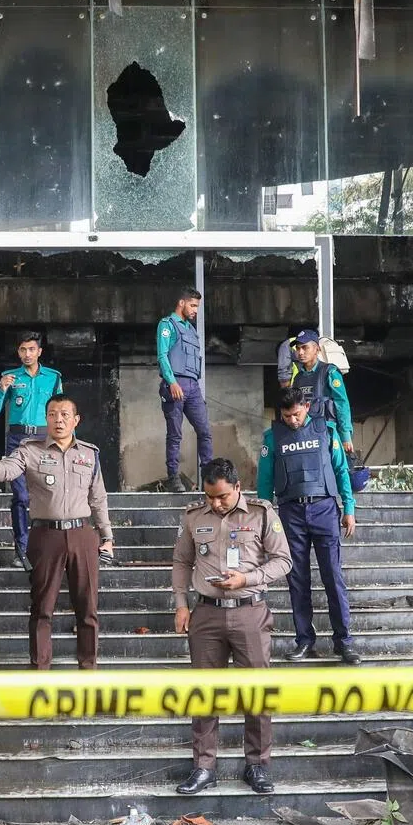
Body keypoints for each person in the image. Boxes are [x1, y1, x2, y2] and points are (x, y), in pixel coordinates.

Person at [171, 458, 291, 796]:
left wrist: (247, 578)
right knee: (205, 693)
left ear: (237, 487)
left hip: (249, 612)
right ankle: (204, 766)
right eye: (209, 496)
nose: (215, 503)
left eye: (222, 496)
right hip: (206, 615)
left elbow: (284, 560)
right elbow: (181, 560)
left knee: (255, 692)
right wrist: (181, 604)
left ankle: (257, 765)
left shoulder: (261, 513)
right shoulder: (194, 516)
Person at [0, 395, 114, 670]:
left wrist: (107, 537)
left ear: (76, 420)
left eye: (64, 414)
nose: (58, 420)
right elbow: (5, 472)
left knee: (87, 608)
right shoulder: (30, 450)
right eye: (52, 414)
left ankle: (88, 670)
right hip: (45, 536)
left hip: (82, 534)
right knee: (42, 608)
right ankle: (40, 672)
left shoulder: (89, 454)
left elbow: (98, 497)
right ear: (46, 419)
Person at [257, 389, 361, 666]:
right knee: (297, 580)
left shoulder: (326, 430)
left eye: (297, 414)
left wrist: (348, 508)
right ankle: (305, 640)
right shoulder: (271, 438)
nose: (292, 420)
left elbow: (340, 471)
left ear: (307, 406)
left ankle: (344, 642)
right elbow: (265, 482)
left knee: (333, 577)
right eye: (286, 415)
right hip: (290, 512)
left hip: (324, 508)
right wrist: (265, 518)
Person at [0, 332, 63, 568]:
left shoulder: (53, 377)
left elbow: (62, 411)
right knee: (20, 496)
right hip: (18, 440)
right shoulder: (9, 377)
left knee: (49, 494)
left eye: (31, 349)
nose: (27, 354)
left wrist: (68, 443)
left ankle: (48, 548)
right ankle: (22, 549)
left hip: (44, 439)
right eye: (22, 350)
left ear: (39, 351)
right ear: (18, 352)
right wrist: (0, 389)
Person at [157, 287, 213, 493]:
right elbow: (162, 356)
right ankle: (173, 477)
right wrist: (172, 382)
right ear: (181, 303)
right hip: (175, 385)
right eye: (193, 305)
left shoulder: (191, 329)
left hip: (193, 386)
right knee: (175, 434)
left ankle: (209, 477)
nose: (195, 310)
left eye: (197, 306)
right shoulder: (167, 325)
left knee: (205, 431)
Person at [287, 329, 354, 453]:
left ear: (317, 349)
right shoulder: (298, 378)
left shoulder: (330, 372)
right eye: (298, 348)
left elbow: (342, 403)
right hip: (306, 436)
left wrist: (345, 436)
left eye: (305, 348)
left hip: (329, 434)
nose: (300, 352)